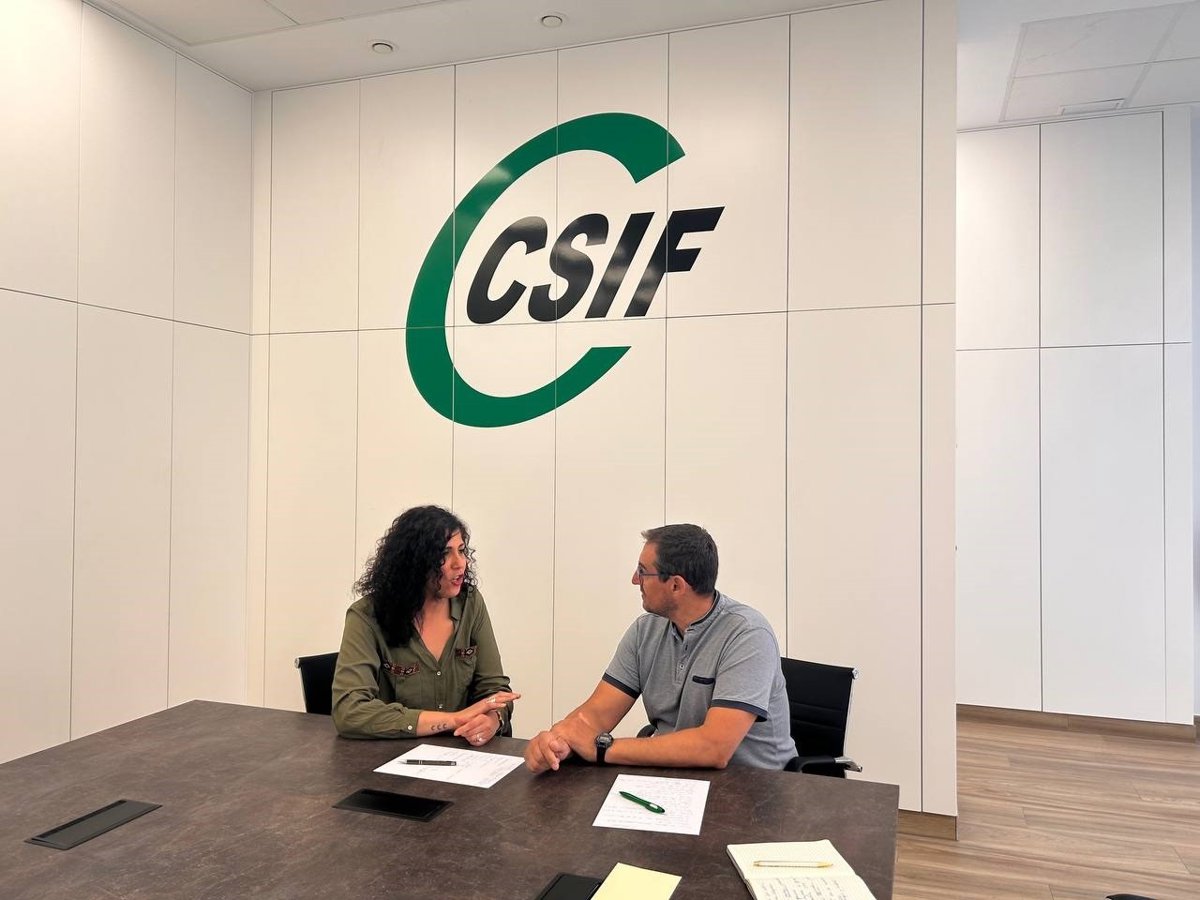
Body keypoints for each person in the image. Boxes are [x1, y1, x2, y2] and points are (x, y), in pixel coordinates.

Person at [524, 523, 796, 772]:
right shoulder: (645, 630)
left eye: (643, 572)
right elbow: (595, 714)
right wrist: (558, 741)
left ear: (676, 585)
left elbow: (714, 748)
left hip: (754, 788)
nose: (635, 580)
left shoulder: (748, 635)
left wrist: (603, 748)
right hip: (672, 779)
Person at [333, 505, 519, 745]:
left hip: (463, 756)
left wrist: (492, 720)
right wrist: (452, 720)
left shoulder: (470, 603)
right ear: (414, 562)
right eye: (444, 554)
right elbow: (350, 712)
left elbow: (494, 690)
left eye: (462, 551)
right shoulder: (366, 616)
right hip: (391, 756)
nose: (460, 563)